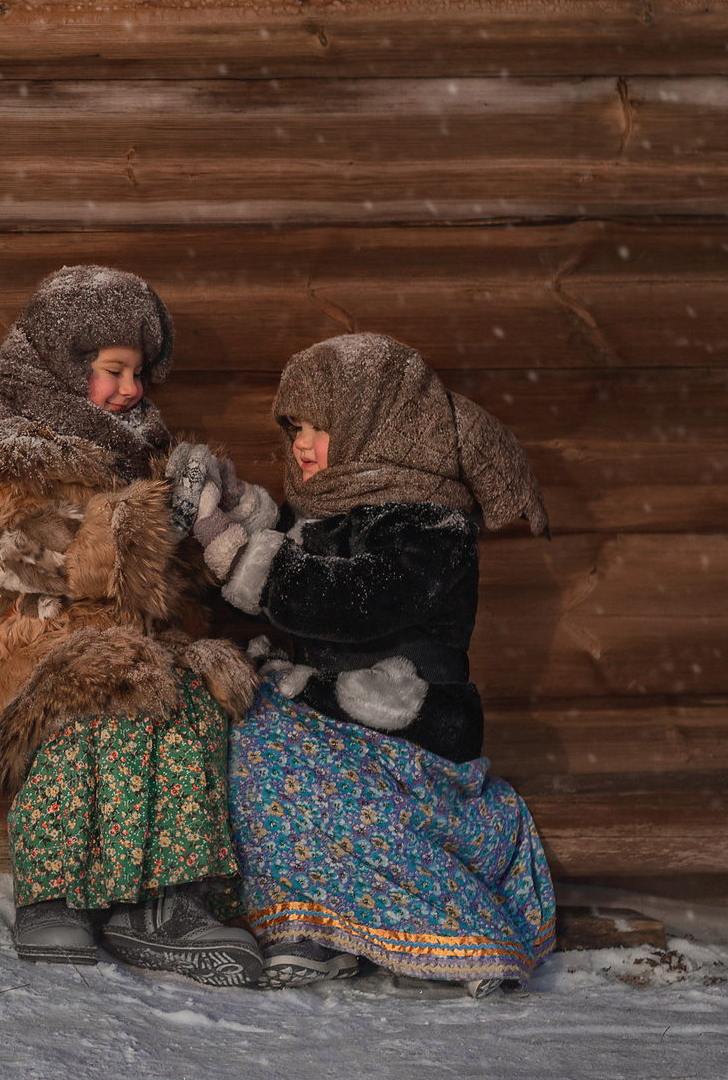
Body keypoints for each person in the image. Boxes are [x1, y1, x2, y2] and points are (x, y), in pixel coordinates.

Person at [190, 332, 557, 997]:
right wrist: (241, 509)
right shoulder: (331, 508)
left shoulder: (429, 526)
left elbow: (356, 600)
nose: (301, 443)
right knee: (248, 743)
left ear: (373, 426)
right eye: (295, 426)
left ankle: (449, 937)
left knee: (321, 786)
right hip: (336, 715)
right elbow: (308, 555)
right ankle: (311, 927)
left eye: (317, 427)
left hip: (410, 731)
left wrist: (242, 559)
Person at [0, 266, 262, 984]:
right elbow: (32, 547)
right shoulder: (7, 431)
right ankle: (57, 891)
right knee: (93, 699)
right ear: (65, 359)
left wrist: (208, 528)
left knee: (190, 693)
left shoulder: (137, 440)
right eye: (114, 371)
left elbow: (155, 580)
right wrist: (148, 518)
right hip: (14, 634)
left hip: (112, 629)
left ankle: (165, 899)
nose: (131, 389)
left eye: (137, 373)